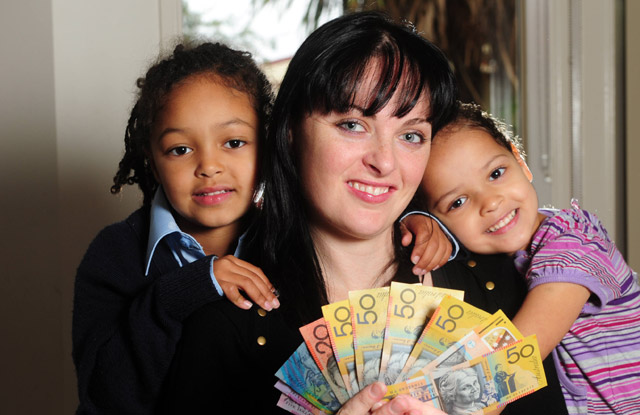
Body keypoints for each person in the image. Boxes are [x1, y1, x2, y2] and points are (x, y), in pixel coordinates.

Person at [158, 12, 569, 415]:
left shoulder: (502, 285)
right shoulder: (228, 322)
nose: (384, 162)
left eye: (410, 135)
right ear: (290, 133)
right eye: (353, 124)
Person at [72, 40, 447, 415]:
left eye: (233, 142)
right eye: (179, 150)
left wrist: (416, 219)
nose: (209, 166)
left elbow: (359, 203)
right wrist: (188, 289)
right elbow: (102, 392)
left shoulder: (284, 234)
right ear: (152, 162)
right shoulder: (117, 254)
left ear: (269, 147)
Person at [419, 102, 640, 414]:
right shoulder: (506, 253)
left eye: (496, 173)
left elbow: (515, 355)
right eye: (458, 202)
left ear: (520, 161)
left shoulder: (574, 244)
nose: (490, 203)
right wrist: (417, 221)